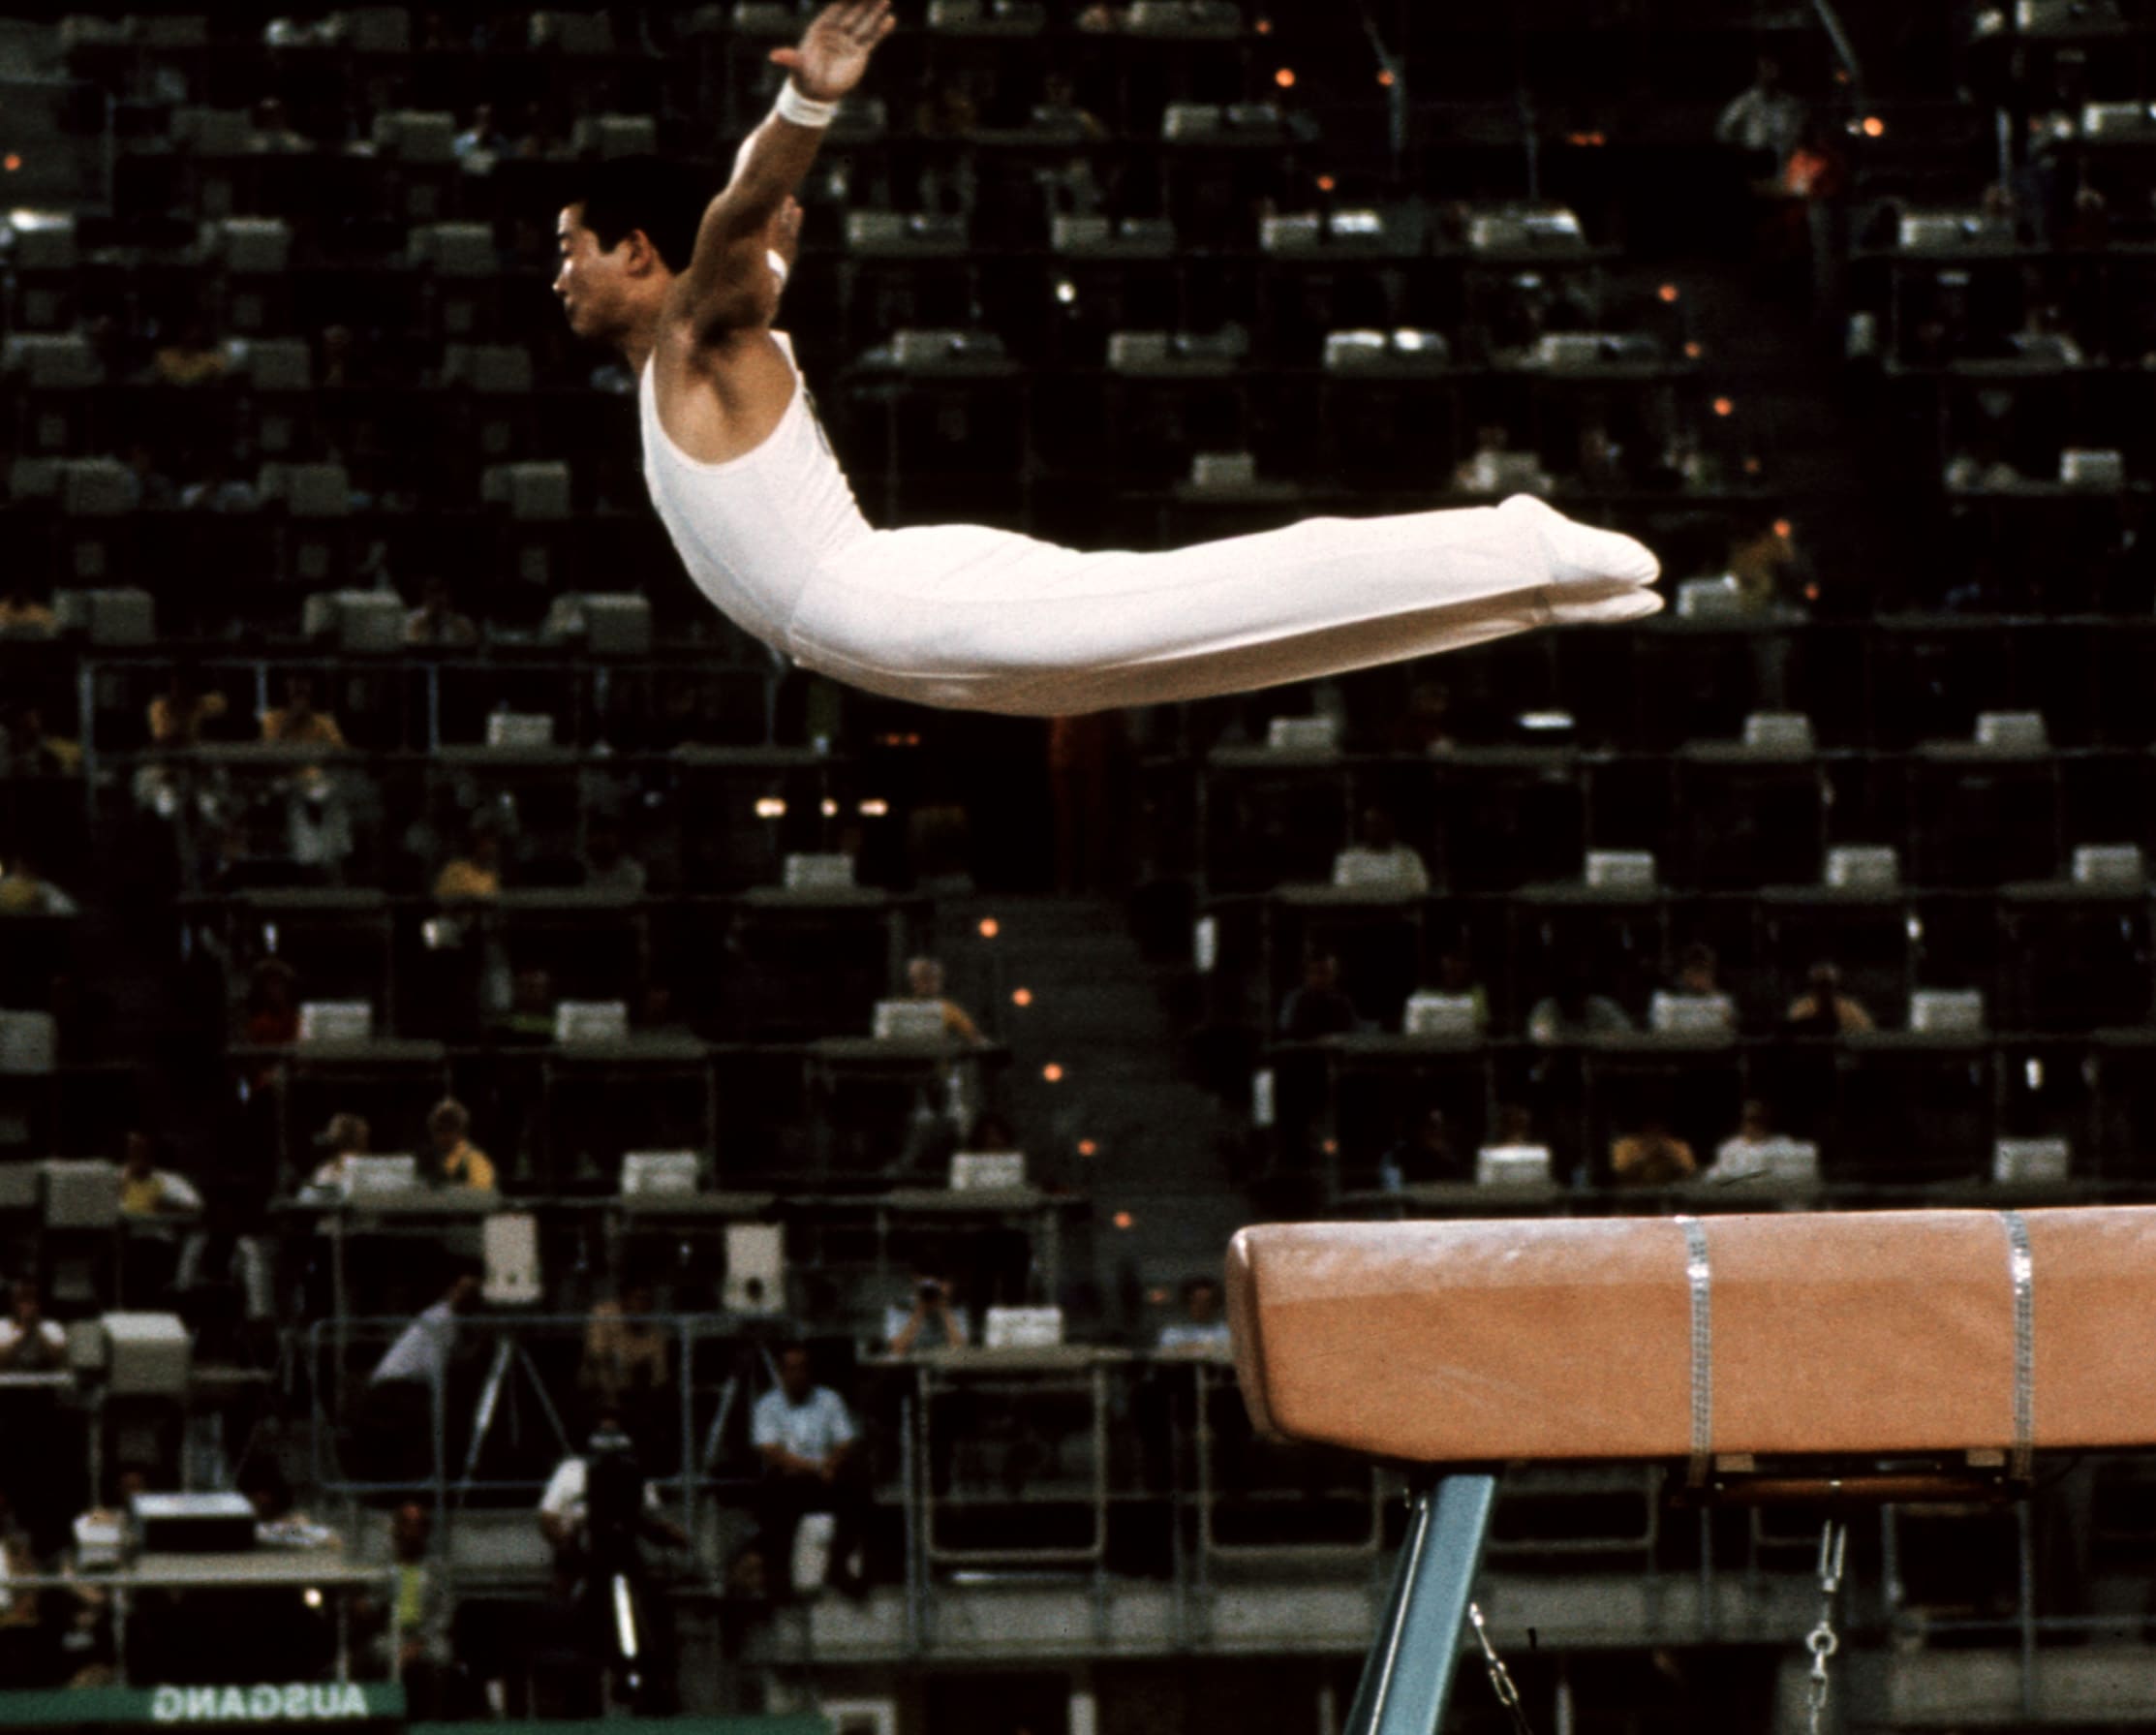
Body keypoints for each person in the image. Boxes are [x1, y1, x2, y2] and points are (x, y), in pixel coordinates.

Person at [550, 5, 1659, 722]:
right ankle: (1532, 593)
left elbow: (740, 208)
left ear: (637, 251)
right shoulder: (689, 359)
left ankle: (1519, 536)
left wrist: (808, 101)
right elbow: (756, 246)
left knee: (1196, 599)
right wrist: (774, 261)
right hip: (859, 643)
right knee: (1197, 659)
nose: (557, 277)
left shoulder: (701, 331)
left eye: (569, 251)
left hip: (882, 597)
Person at [749, 1343, 868, 1599]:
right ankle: (778, 1579)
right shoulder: (768, 1405)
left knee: (857, 1491)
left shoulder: (829, 1399)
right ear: (781, 1373)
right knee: (773, 1497)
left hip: (825, 1476)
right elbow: (771, 1450)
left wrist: (830, 1466)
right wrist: (814, 1467)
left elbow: (845, 1441)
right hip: (790, 1476)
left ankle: (840, 1566)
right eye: (791, 1369)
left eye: (803, 1368)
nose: (798, 1374)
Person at [1331, 808, 1430, 894]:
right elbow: (1344, 891)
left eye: (1381, 823)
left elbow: (1420, 888)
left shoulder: (1408, 857)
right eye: (1372, 824)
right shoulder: (1348, 859)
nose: (1377, 829)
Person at [117, 1131, 202, 1218]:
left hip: (158, 1229)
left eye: (143, 1150)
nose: (139, 1156)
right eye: (134, 1149)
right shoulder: (113, 1177)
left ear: (151, 1153)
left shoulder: (170, 1180)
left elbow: (196, 1206)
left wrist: (166, 1206)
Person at [1279, 952, 1360, 1040]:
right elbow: (1285, 1030)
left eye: (1325, 972)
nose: (1319, 978)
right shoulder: (1295, 999)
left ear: (1334, 974)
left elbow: (1353, 1031)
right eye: (1314, 972)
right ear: (1307, 975)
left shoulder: (1342, 1001)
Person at [1785, 960, 1875, 1035]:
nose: (1824, 989)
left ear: (1835, 985)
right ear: (1813, 985)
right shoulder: (1802, 1007)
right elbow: (1792, 1030)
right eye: (1820, 985)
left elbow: (1867, 1030)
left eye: (1827, 985)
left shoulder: (1849, 1008)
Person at [427, 1099, 498, 1192]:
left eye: (451, 1129)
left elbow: (481, 1195)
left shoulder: (475, 1160)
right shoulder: (431, 1160)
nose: (444, 1136)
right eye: (440, 1129)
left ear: (462, 1131)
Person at [1155, 1276, 1232, 1356]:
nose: (1202, 1307)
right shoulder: (1172, 1333)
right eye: (1196, 1302)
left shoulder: (1226, 1332)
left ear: (1216, 1304)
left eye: (1208, 1302)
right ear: (1186, 1303)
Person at [1610, 1117, 1697, 1187]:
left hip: (1669, 1197)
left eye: (1659, 1129)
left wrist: (1670, 1154)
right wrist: (1643, 1156)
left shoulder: (1678, 1146)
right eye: (1651, 1128)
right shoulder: (1626, 1145)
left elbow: (1690, 1170)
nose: (1654, 1132)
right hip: (1633, 1198)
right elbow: (1619, 1170)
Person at [0, 1282, 66, 1371]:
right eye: (22, 1301)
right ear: (13, 1304)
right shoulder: (3, 1326)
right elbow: (2, 1360)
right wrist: (22, 1333)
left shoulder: (51, 1326)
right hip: (10, 1379)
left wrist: (36, 1330)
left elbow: (59, 1359)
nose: (27, 1307)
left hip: (45, 1379)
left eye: (31, 1301)